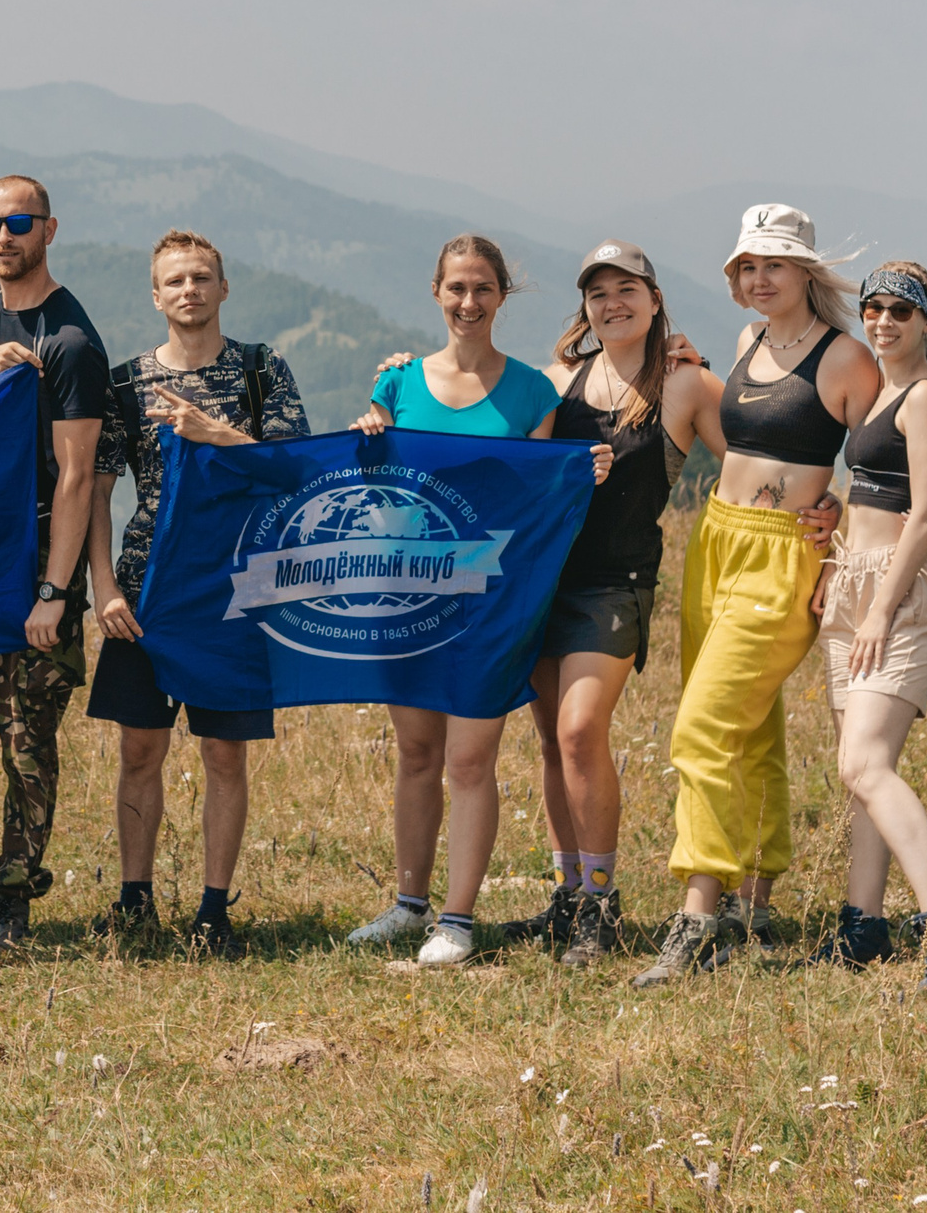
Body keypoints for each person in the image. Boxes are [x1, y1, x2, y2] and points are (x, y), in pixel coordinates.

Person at [635, 204, 880, 989]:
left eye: (775, 263)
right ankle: (756, 898)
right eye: (748, 265)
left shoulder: (846, 359)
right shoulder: (747, 343)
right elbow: (735, 431)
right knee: (752, 727)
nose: (760, 276)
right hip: (717, 541)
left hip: (783, 559)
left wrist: (839, 511)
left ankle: (699, 917)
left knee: (702, 728)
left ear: (807, 272)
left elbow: (884, 461)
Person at [343, 235, 601, 969]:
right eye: (456, 288)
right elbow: (373, 494)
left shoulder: (531, 393)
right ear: (436, 293)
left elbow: (541, 498)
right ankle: (407, 905)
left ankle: (457, 920)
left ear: (502, 296)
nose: (468, 302)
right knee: (417, 753)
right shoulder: (395, 385)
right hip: (406, 595)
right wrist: (368, 439)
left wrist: (583, 473)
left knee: (468, 761)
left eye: (482, 289)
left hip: (490, 601)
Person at [491, 243, 729, 969]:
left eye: (627, 289)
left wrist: (819, 506)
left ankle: (600, 902)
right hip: (541, 581)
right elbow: (497, 448)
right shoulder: (560, 378)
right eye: (598, 293)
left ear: (656, 299)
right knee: (548, 740)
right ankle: (566, 896)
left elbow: (754, 462)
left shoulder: (685, 383)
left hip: (616, 581)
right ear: (585, 308)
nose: (612, 304)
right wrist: (396, 383)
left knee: (579, 731)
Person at [87, 231, 311, 954]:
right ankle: (133, 901)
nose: (189, 290)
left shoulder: (259, 369)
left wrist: (215, 432)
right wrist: (101, 586)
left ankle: (214, 912)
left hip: (237, 591)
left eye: (201, 277)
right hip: (146, 589)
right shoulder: (126, 383)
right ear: (156, 296)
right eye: (175, 281)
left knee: (224, 756)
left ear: (222, 288)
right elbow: (95, 490)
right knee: (139, 751)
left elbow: (294, 470)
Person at [0, 175, 111, 953]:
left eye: (18, 223)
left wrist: (54, 592)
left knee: (24, 740)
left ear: (49, 229)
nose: (2, 236)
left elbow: (76, 475)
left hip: (36, 551)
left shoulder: (71, 343)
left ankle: (9, 901)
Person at [806, 261, 927, 989]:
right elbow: (875, 495)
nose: (882, 321)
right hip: (853, 587)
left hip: (899, 601)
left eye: (900, 312)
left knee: (865, 764)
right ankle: (863, 925)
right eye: (873, 308)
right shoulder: (881, 394)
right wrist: (833, 536)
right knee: (858, 769)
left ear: (925, 323)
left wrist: (881, 606)